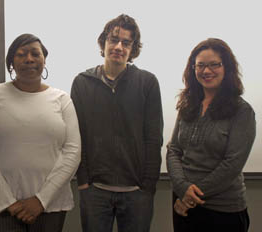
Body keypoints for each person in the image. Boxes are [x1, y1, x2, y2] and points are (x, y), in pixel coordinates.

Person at [0, 33, 81, 232]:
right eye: (21, 54)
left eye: (35, 54)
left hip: (51, 206)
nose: (29, 59)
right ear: (11, 62)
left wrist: (41, 200)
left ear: (44, 59)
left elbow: (73, 152)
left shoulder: (62, 99)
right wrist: (7, 201)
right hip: (1, 208)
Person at [71, 14, 163, 232]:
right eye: (113, 40)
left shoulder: (147, 83)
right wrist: (83, 180)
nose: (119, 46)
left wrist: (148, 185)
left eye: (126, 42)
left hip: (136, 192)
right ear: (103, 43)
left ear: (133, 49)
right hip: (95, 191)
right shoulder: (82, 83)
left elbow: (153, 137)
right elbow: (77, 135)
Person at [166, 38, 256, 232]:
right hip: (183, 204)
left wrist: (190, 197)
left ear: (227, 68)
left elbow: (232, 164)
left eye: (214, 64)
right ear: (193, 69)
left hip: (222, 210)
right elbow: (174, 150)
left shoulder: (242, 111)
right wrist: (182, 188)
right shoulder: (188, 104)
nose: (206, 71)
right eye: (200, 65)